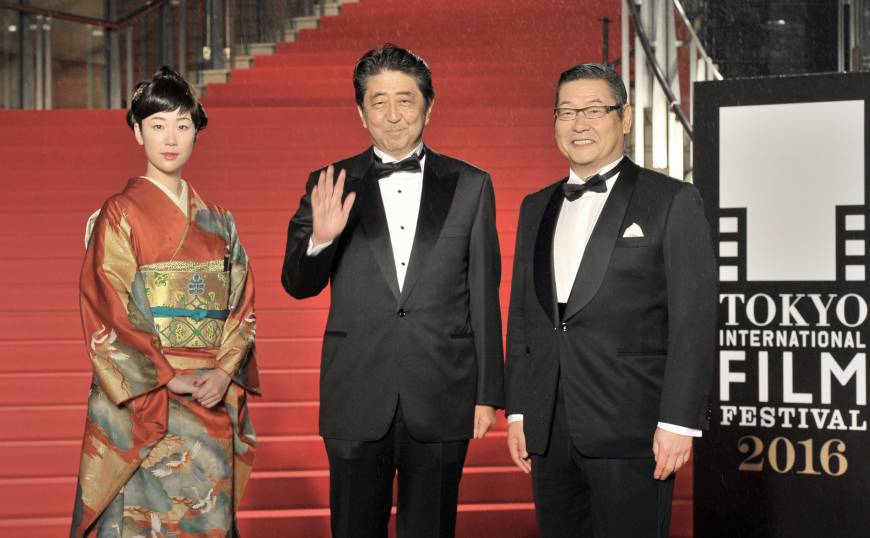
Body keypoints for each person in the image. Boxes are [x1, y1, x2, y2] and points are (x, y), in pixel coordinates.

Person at [281, 44, 504, 538]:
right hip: (356, 393)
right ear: (361, 113)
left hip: (443, 391)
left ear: (430, 105)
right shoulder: (330, 182)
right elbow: (297, 283)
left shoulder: (471, 184)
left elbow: (483, 294)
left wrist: (488, 393)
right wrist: (321, 239)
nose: (393, 114)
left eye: (406, 99)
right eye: (378, 101)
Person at [504, 63, 716, 537]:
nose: (579, 123)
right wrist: (519, 410)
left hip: (634, 430)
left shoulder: (671, 200)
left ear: (623, 118)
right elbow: (523, 317)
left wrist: (679, 421)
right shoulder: (534, 206)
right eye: (567, 111)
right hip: (550, 430)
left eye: (594, 110)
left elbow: (694, 320)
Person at [70, 66, 259, 537]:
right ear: (137, 132)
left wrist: (223, 371)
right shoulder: (120, 213)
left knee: (203, 516)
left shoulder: (220, 222)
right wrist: (167, 376)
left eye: (182, 124)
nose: (170, 137)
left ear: (197, 130)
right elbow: (108, 302)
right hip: (149, 398)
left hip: (208, 397)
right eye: (157, 125)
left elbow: (241, 305)